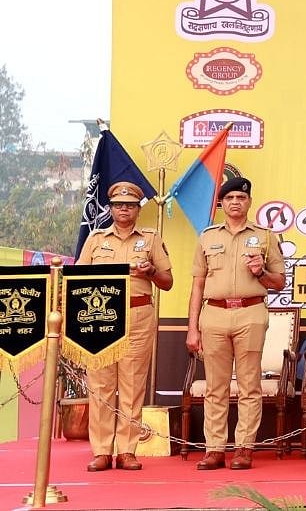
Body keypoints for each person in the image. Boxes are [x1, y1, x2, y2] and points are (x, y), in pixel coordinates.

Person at [186, 177, 285, 471]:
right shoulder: (207, 236)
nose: (235, 203)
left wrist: (261, 271)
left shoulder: (265, 237)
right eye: (229, 199)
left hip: (250, 312)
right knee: (215, 387)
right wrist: (192, 328)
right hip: (213, 314)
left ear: (249, 202)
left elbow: (278, 282)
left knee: (248, 385)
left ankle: (244, 448)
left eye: (241, 198)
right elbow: (198, 284)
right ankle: (214, 449)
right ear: (221, 204)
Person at [76, 182, 173, 472]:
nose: (124, 209)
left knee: (132, 384)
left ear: (137, 210)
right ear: (111, 208)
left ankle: (127, 450)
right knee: (101, 384)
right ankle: (102, 451)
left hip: (138, 313)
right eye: (118, 204)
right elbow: (77, 279)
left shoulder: (151, 239)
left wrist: (152, 271)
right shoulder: (95, 239)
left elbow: (168, 282)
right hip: (101, 315)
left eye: (129, 205)